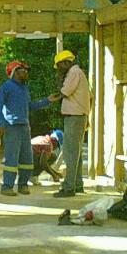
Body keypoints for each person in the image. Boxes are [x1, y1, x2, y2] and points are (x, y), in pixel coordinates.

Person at [0, 61, 60, 196]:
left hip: (25, 127)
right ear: (14, 72)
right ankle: (7, 187)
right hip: (12, 127)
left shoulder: (24, 88)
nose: (26, 72)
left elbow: (30, 106)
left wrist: (48, 101)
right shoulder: (7, 87)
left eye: (26, 70)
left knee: (27, 159)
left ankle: (23, 185)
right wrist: (0, 124)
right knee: (12, 159)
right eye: (23, 70)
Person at [52, 50, 91, 198]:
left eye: (60, 65)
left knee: (70, 153)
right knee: (77, 152)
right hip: (78, 116)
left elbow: (65, 91)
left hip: (74, 117)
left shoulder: (74, 72)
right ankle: (77, 184)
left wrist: (53, 96)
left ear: (67, 62)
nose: (59, 68)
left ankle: (69, 188)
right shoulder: (77, 72)